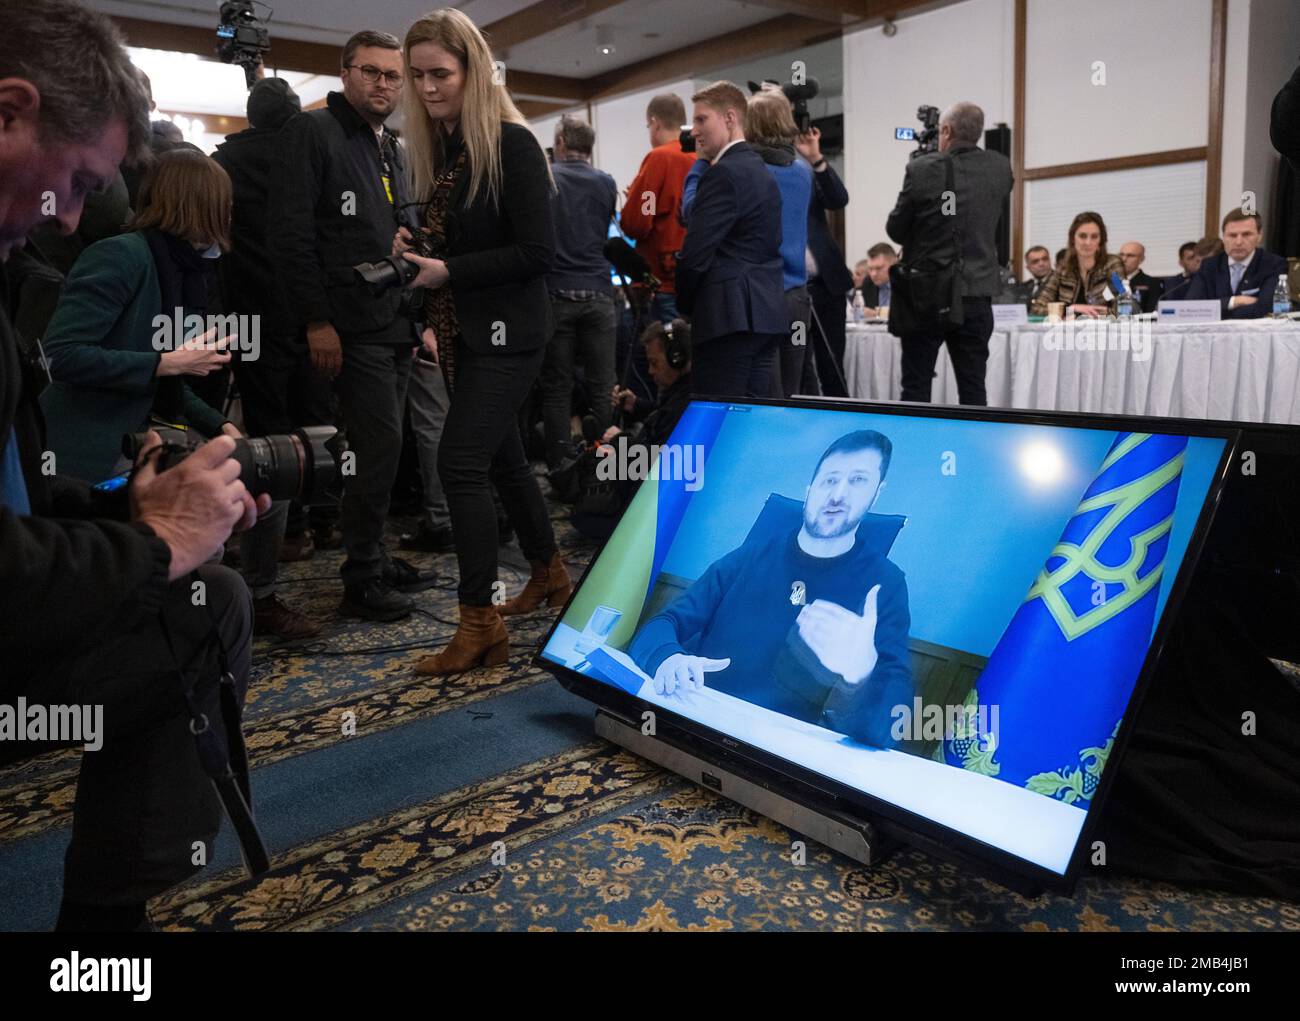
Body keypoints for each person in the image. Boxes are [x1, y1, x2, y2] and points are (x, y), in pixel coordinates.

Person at [0, 0, 270, 930]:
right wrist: (153, 539)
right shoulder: (118, 258)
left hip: (75, 484)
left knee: (211, 594)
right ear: (10, 110)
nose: (65, 217)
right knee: (194, 606)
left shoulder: (167, 271)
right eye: (73, 181)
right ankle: (108, 927)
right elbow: (75, 361)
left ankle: (117, 907)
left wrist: (156, 501)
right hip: (59, 491)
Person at [37, 148, 319, 640]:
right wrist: (166, 362)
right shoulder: (119, 256)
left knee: (270, 476)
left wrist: (221, 424)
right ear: (198, 205)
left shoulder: (188, 271)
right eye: (223, 205)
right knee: (202, 520)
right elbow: (58, 356)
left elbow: (171, 383)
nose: (229, 218)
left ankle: (254, 599)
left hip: (145, 429)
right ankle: (184, 624)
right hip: (90, 445)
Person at [392, 8, 571, 674]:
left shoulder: (511, 143)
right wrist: (420, 247)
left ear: (474, 71)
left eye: (440, 73)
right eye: (419, 76)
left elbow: (536, 252)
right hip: (463, 328)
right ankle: (551, 573)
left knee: (459, 465)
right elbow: (468, 238)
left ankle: (480, 623)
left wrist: (448, 270)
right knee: (503, 461)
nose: (429, 86)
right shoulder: (448, 148)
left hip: (511, 334)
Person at [271, 29, 434, 623]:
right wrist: (316, 320)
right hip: (346, 321)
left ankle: (373, 555)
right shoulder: (313, 132)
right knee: (378, 446)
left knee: (386, 449)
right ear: (346, 73)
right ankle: (360, 575)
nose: (384, 84)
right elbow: (290, 236)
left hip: (394, 319)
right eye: (372, 72)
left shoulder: (388, 144)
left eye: (394, 76)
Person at [627, 429, 912, 750]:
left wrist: (860, 672)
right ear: (810, 489)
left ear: (876, 493)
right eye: (830, 480)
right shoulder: (748, 556)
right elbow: (663, 624)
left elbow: (890, 728)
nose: (838, 494)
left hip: (779, 753)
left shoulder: (886, 584)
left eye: (858, 480)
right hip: (693, 723)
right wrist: (667, 657)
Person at [214, 76, 342, 566]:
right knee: (319, 418)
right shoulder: (314, 155)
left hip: (248, 312)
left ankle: (286, 534)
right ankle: (327, 519)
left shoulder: (223, 163)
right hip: (310, 309)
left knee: (269, 428)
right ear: (294, 114)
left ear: (250, 117)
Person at [886, 101, 1013, 405]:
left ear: (946, 130)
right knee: (972, 387)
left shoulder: (921, 168)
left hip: (928, 296)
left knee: (916, 387)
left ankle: (915, 446)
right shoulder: (1000, 168)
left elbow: (896, 230)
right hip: (977, 292)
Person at [676, 81, 786, 398]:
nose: (694, 130)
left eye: (701, 119)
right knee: (751, 423)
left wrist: (686, 307)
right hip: (765, 315)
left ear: (729, 118)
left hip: (727, 318)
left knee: (718, 422)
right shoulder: (762, 171)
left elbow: (695, 254)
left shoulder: (723, 174)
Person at [540, 114, 618, 469]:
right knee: (603, 385)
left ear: (559, 144)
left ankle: (560, 465)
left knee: (558, 387)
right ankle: (607, 464)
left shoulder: (547, 178)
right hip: (599, 293)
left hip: (556, 293)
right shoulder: (606, 183)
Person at [745, 88, 812, 397]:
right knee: (792, 389)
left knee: (766, 395)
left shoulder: (749, 171)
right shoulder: (803, 171)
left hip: (762, 296)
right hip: (797, 299)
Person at [619, 93, 695, 325]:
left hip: (662, 281)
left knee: (663, 356)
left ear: (655, 123)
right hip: (696, 278)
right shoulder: (701, 158)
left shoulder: (659, 159)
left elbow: (640, 221)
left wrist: (634, 197)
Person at [800, 124, 851, 398]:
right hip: (791, 290)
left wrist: (816, 159)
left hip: (827, 286)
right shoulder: (762, 169)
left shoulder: (806, 169)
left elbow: (838, 199)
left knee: (832, 366)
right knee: (799, 369)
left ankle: (842, 426)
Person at [1185, 208, 1288, 319]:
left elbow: (1265, 307)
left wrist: (1214, 310)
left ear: (1259, 236)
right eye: (1232, 235)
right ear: (1223, 237)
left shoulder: (1274, 264)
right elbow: (1191, 308)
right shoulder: (1209, 266)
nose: (1238, 242)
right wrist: (1234, 301)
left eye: (1246, 234)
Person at [1030, 211, 1123, 318]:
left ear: (1101, 241)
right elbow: (1036, 309)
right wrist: (1071, 309)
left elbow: (1124, 307)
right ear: (1073, 239)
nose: (1088, 242)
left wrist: (1095, 313)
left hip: (1103, 331)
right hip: (1068, 332)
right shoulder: (1063, 269)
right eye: (1083, 236)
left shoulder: (1112, 264)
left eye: (1094, 236)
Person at [1117, 240, 1163, 312]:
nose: (1124, 259)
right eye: (1121, 255)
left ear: (1141, 259)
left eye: (1130, 256)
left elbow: (1152, 311)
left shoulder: (1152, 283)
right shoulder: (1111, 281)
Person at [859, 242, 897, 312]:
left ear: (894, 264)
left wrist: (876, 315)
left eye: (879, 268)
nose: (873, 274)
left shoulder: (907, 283)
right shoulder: (868, 283)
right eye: (870, 269)